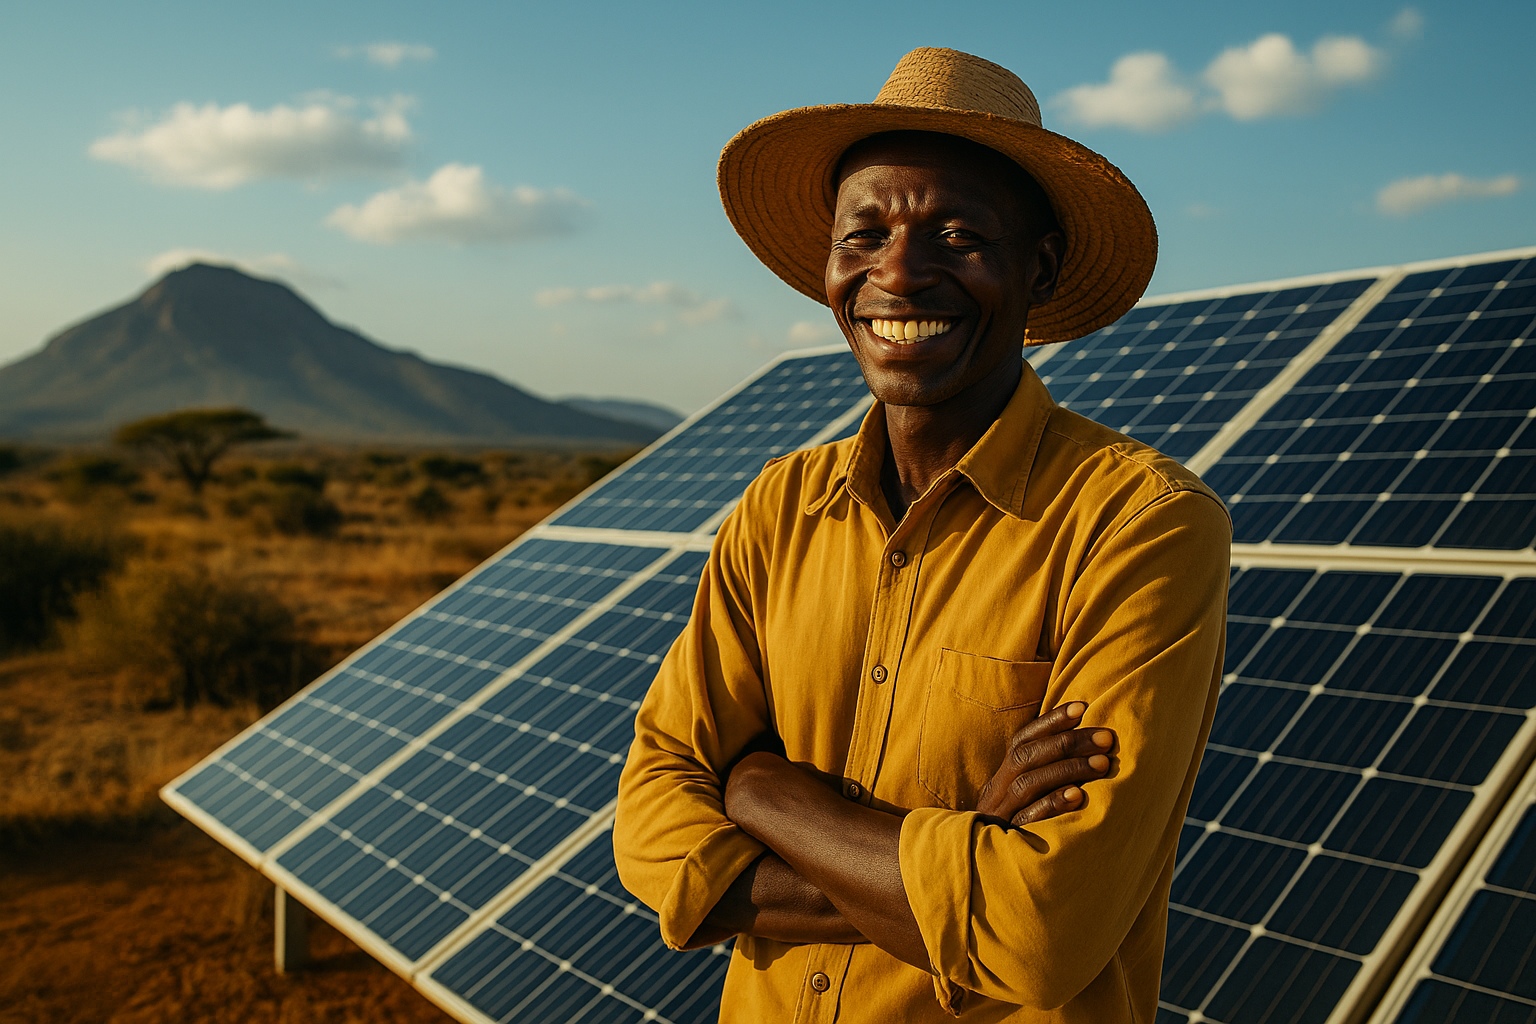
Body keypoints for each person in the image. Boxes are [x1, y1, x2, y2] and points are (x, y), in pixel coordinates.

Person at [614, 47, 1230, 1023]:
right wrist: (954, 857)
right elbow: (650, 823)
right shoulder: (780, 507)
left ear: (1038, 270)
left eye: (958, 235)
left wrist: (764, 792)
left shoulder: (1139, 523)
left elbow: (1038, 928)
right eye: (864, 234)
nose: (899, 272)